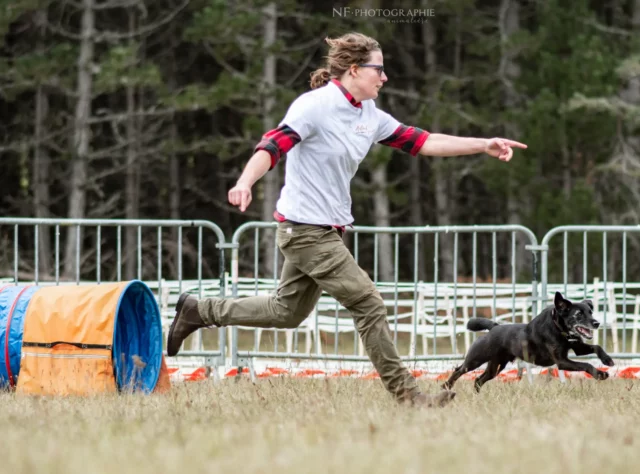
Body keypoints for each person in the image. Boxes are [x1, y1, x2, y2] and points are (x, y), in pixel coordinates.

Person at [166, 32, 527, 407]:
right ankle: (409, 396)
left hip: (325, 231)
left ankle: (198, 310)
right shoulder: (314, 106)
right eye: (379, 70)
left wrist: (483, 144)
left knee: (286, 312)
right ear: (354, 70)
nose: (384, 78)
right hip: (305, 231)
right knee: (369, 303)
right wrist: (244, 181)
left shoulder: (369, 115)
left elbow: (423, 141)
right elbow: (272, 146)